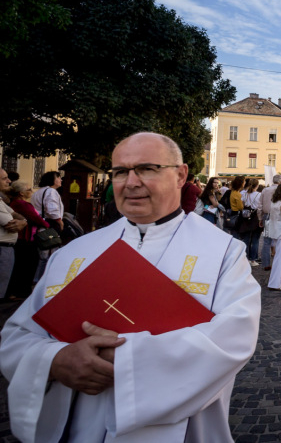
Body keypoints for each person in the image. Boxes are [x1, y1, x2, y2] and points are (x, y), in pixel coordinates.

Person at [0, 132, 261, 442]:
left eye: (147, 169)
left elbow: (233, 340)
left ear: (181, 175)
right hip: (76, 425)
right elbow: (17, 336)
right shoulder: (75, 252)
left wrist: (123, 359)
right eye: (121, 172)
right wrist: (54, 361)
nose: (131, 182)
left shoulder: (223, 253)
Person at [7, 181, 48, 300]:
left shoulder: (16, 203)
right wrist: (47, 225)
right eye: (29, 189)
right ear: (21, 193)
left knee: (22, 266)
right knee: (27, 266)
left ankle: (19, 292)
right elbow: (37, 219)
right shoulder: (22, 205)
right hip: (25, 240)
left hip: (23, 239)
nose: (31, 191)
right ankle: (22, 292)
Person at [32, 171, 65, 283]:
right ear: (52, 180)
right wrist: (60, 221)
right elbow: (52, 209)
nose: (60, 180)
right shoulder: (51, 191)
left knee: (43, 254)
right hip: (49, 225)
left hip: (40, 224)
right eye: (58, 177)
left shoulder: (39, 192)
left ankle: (37, 278)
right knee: (48, 254)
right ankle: (42, 279)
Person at [0, 170, 28, 300]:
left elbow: (13, 214)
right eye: (4, 178)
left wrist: (23, 221)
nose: (9, 181)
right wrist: (22, 222)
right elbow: (10, 223)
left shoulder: (1, 200)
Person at [257, 174, 281, 271]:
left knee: (267, 241)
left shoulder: (265, 190)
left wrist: (260, 218)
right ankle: (278, 263)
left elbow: (260, 205)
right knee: (279, 240)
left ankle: (266, 264)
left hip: (267, 216)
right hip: (278, 216)